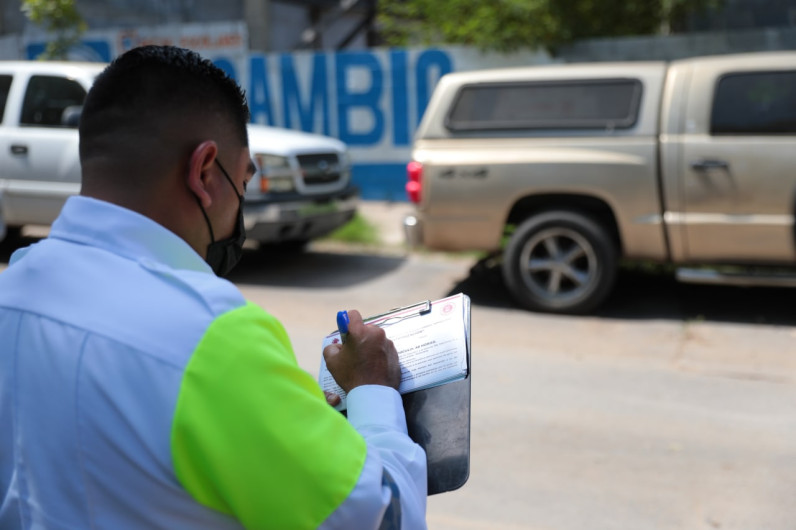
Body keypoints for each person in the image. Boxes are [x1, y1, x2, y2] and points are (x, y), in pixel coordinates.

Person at [0, 45, 427, 529]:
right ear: (205, 171)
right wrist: (372, 388)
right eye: (243, 181)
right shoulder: (212, 336)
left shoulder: (12, 294)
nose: (239, 204)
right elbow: (383, 516)